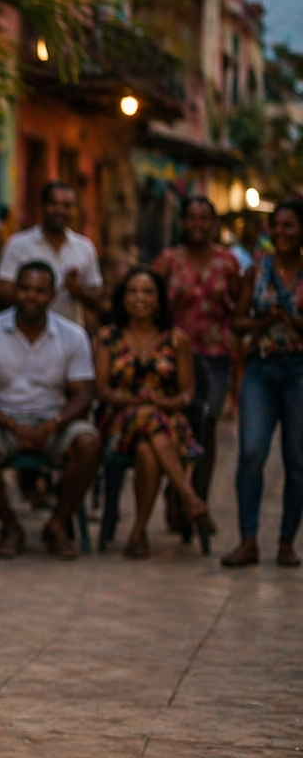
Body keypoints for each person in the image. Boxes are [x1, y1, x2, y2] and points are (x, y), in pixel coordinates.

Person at [0, 262, 101, 558]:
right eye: (24, 288)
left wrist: (55, 423)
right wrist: (10, 424)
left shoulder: (72, 335)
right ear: (14, 290)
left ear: (52, 295)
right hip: (1, 420)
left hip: (55, 421)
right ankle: (10, 525)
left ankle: (57, 524)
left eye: (39, 291)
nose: (31, 296)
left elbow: (84, 392)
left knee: (88, 442)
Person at [93, 269, 209, 558]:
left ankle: (138, 533)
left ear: (159, 300)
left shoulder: (177, 340)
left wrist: (160, 402)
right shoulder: (108, 337)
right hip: (121, 421)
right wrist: (135, 401)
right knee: (147, 416)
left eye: (147, 292)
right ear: (123, 298)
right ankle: (187, 495)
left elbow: (187, 393)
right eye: (132, 291)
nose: (139, 298)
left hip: (168, 419)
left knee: (147, 447)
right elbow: (103, 390)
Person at [150, 195, 243, 516]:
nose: (198, 224)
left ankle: (197, 497)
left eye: (205, 218)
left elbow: (238, 311)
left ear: (214, 223)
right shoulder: (168, 261)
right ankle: (176, 491)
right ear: (183, 222)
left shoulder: (228, 263)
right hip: (172, 359)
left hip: (215, 357)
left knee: (206, 426)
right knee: (174, 423)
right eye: (192, 217)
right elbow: (149, 303)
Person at [223, 198, 303, 568]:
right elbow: (236, 322)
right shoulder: (255, 272)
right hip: (261, 368)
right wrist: (261, 323)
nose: (282, 232)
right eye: (278, 225)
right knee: (252, 452)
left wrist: (289, 316)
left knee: (297, 459)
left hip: (299, 371)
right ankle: (248, 539)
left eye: (290, 225)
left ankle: (287, 540)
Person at [0, 181, 103, 327]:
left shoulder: (85, 247)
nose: (60, 210)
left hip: (69, 337)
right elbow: (2, 291)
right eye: (54, 204)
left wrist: (78, 291)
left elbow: (98, 300)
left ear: (75, 210)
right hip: (22, 332)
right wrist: (32, 292)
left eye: (67, 206)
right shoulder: (18, 244)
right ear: (42, 206)